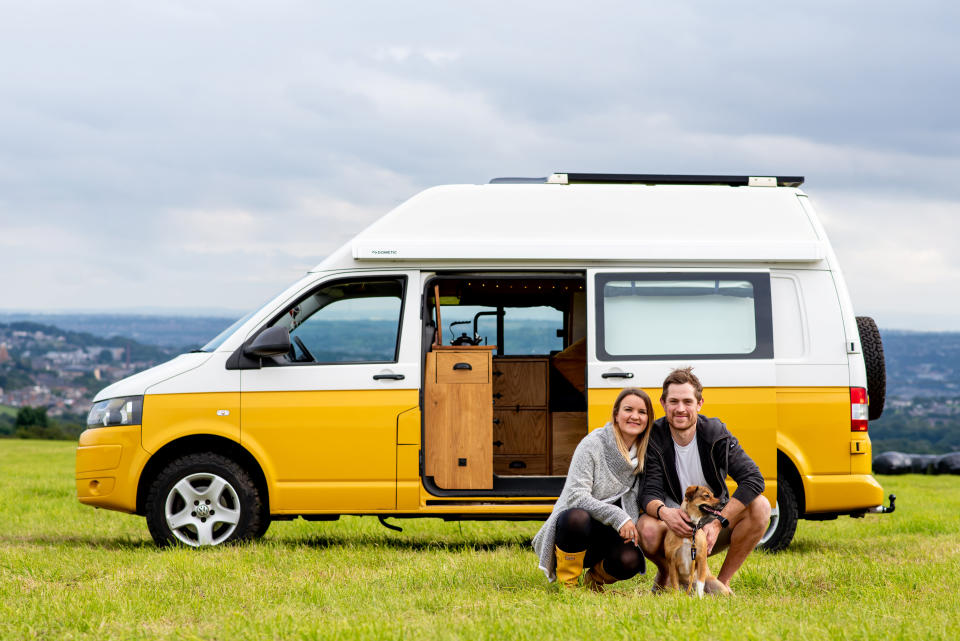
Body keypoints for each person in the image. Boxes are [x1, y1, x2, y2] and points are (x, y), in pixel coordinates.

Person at [638, 367, 770, 594]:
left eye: (687, 402)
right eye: (674, 401)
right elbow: (648, 493)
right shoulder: (654, 436)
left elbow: (753, 479)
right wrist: (665, 513)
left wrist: (719, 523)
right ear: (663, 403)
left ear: (699, 404)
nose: (681, 409)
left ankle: (721, 581)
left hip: (712, 524)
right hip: (673, 527)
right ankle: (667, 574)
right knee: (646, 529)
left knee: (761, 507)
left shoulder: (715, 432)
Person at [532, 388, 653, 590]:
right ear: (616, 414)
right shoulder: (593, 444)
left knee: (630, 560)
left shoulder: (647, 453)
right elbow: (576, 496)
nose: (635, 416)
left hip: (609, 536)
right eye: (628, 409)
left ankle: (594, 581)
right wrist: (619, 516)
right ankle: (568, 585)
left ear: (649, 419)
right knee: (576, 517)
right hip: (575, 533)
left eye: (642, 412)